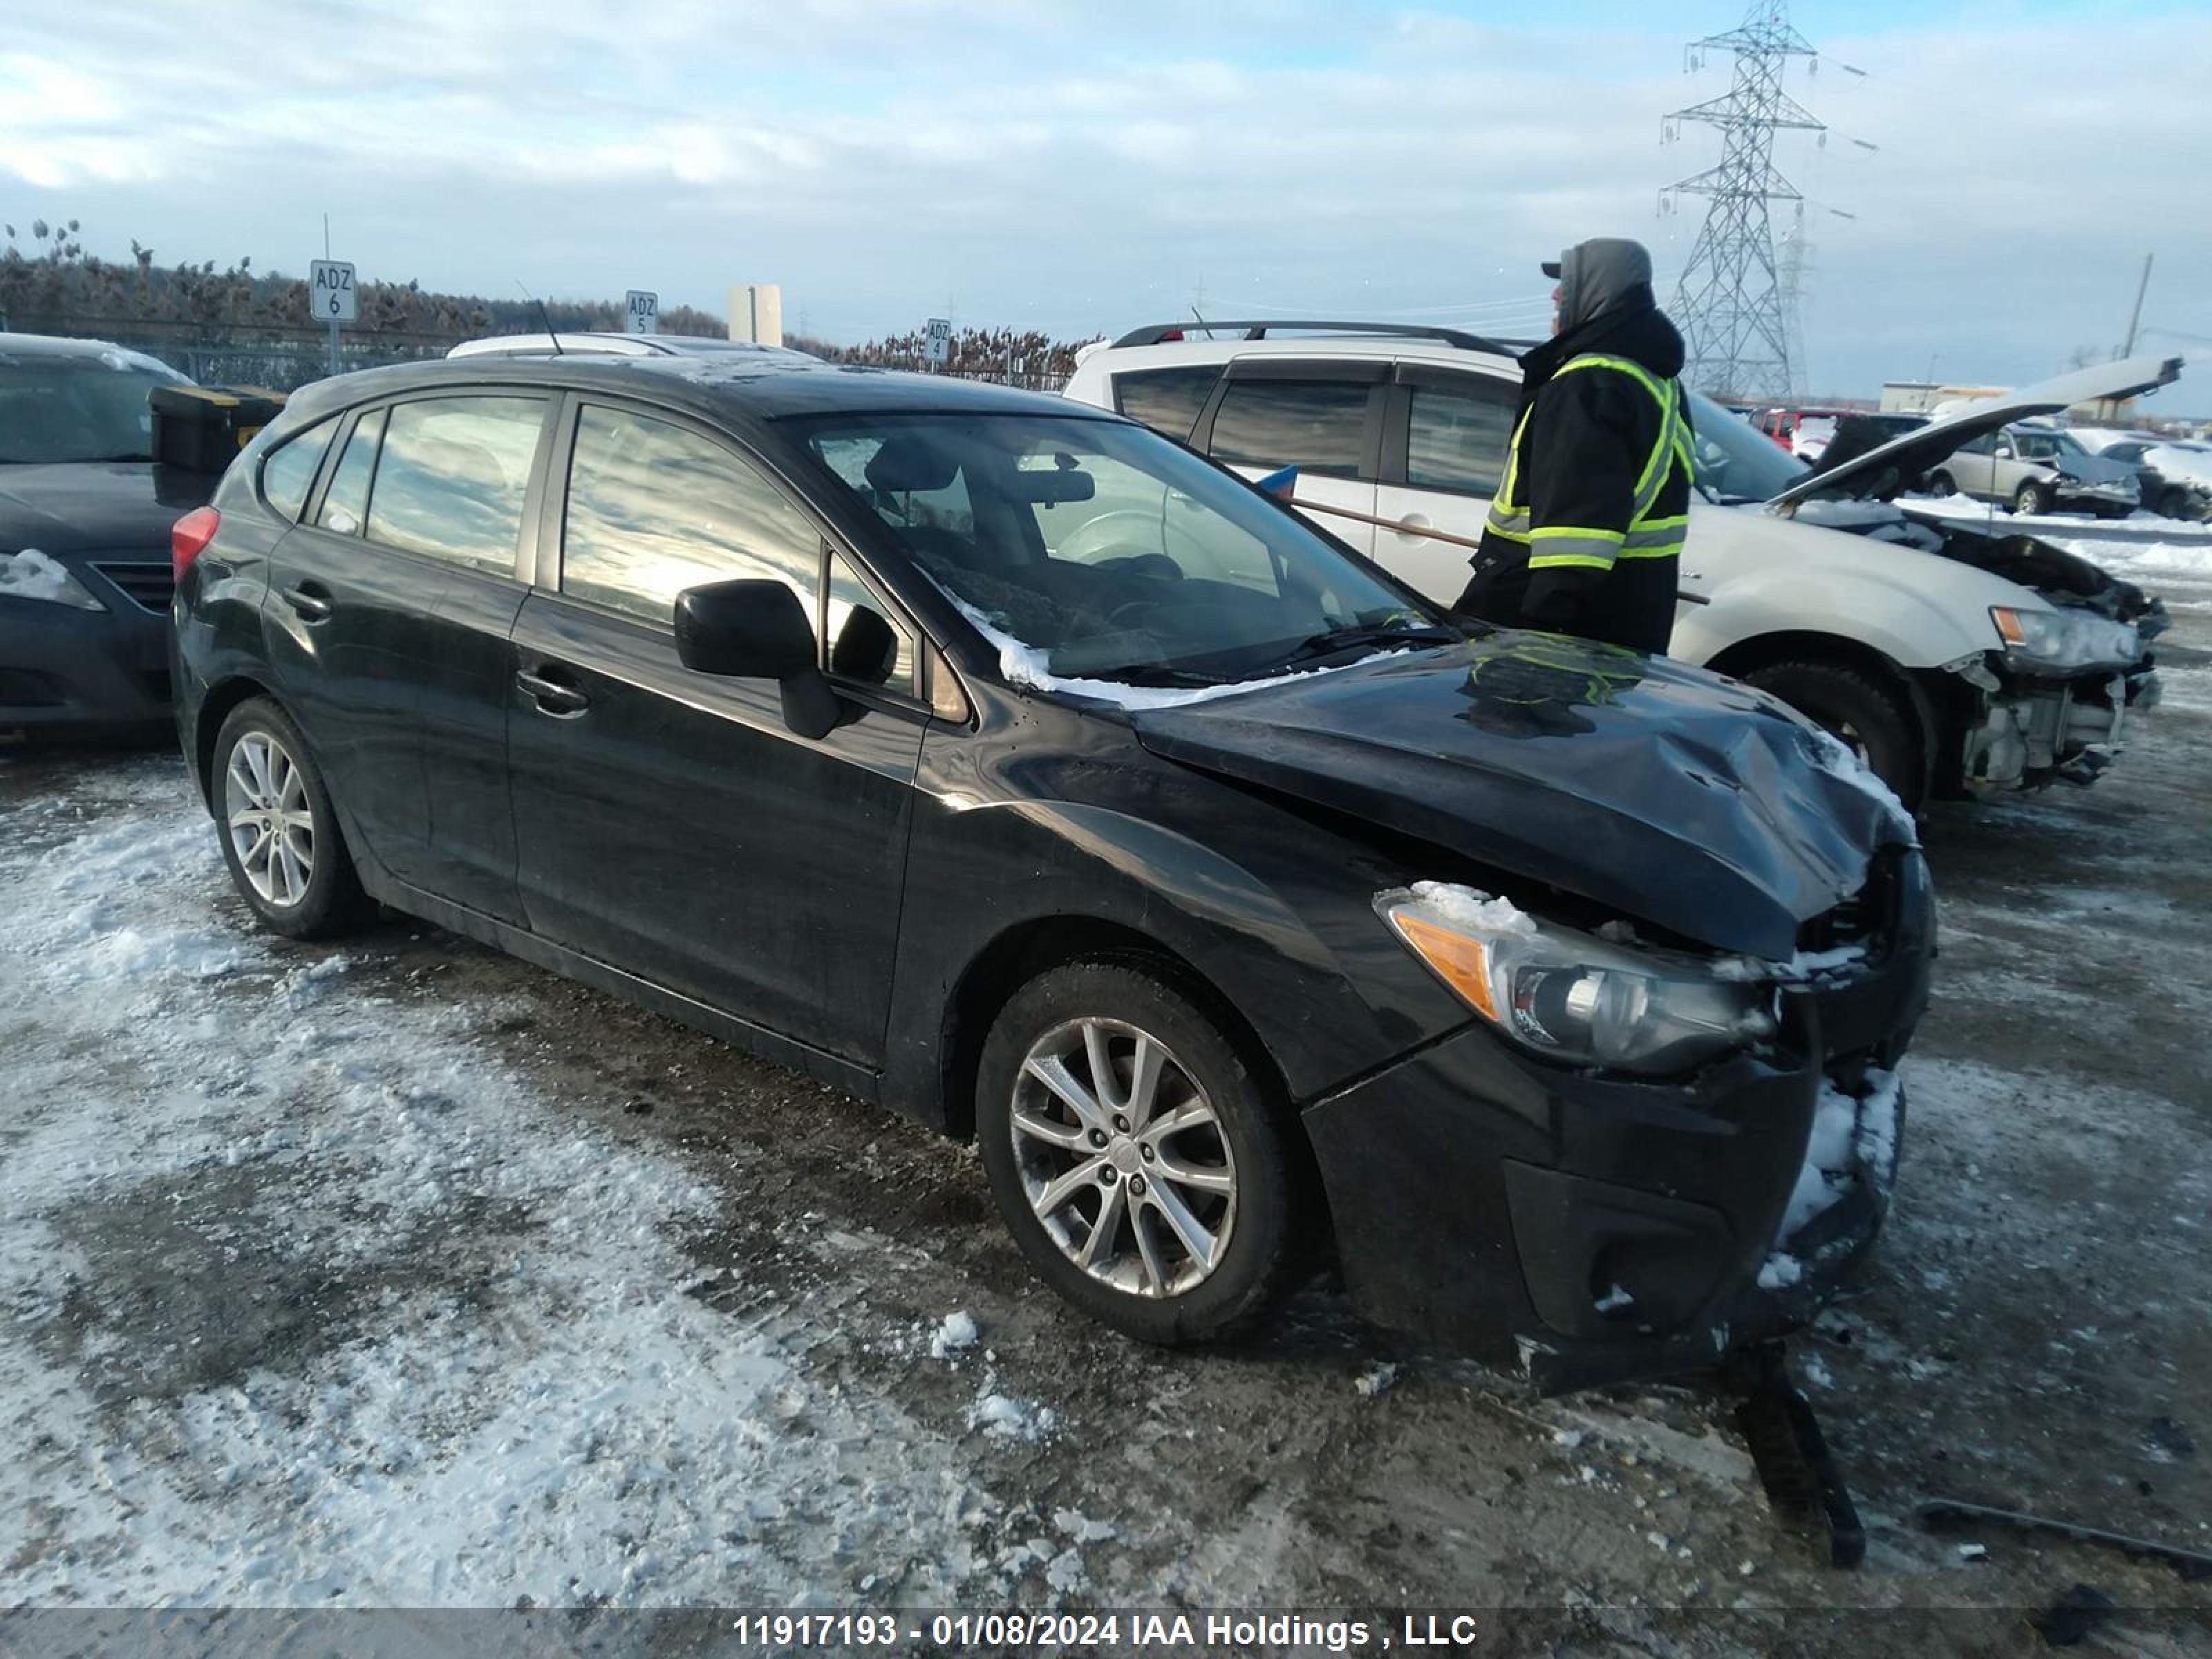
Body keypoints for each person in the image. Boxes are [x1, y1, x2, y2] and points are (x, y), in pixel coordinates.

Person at [1454, 237, 1695, 655]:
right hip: (1627, 614)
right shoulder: (1654, 377)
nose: (1554, 294)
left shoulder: (1588, 384)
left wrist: (1536, 639)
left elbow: (1577, 535)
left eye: (1566, 283)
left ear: (1598, 290)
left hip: (1549, 628)